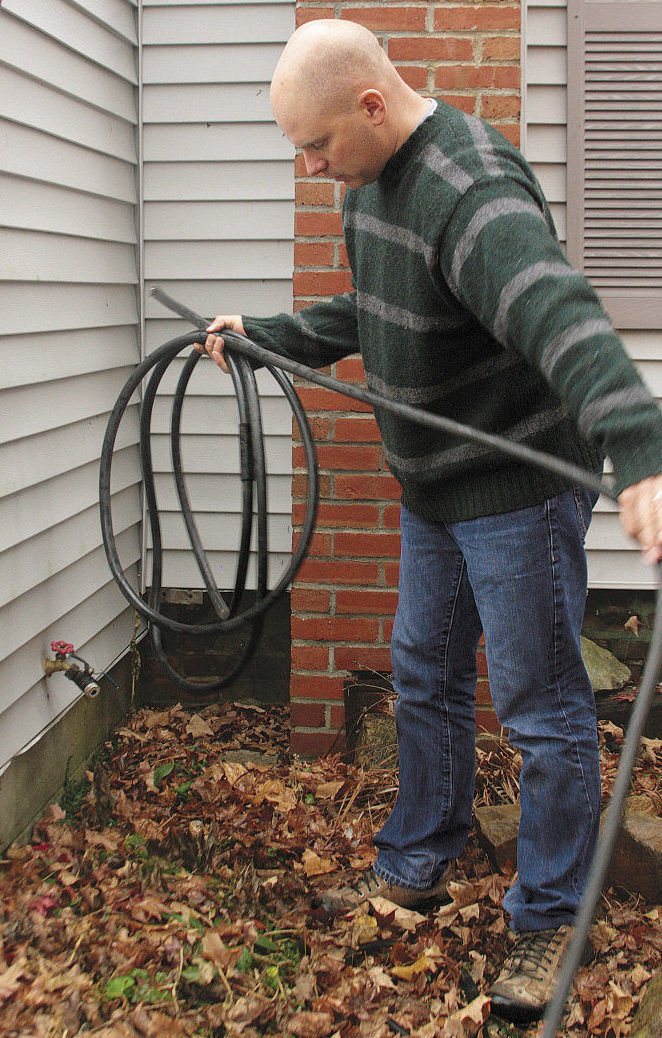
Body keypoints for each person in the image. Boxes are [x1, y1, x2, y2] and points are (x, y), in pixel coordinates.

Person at [199, 19, 662, 1023]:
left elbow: (557, 310)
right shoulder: (372, 182)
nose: (313, 167)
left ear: (372, 106)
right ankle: (415, 860)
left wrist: (639, 445)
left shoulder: (470, 190)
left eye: (317, 145)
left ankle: (544, 915)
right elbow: (376, 310)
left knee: (538, 711)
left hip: (512, 494)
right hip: (432, 491)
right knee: (424, 675)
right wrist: (269, 335)